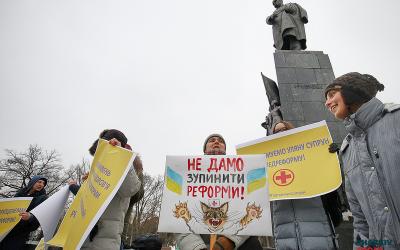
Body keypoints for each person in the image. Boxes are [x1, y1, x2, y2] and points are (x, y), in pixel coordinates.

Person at [324, 72, 400, 249]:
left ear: (351, 90)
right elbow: (360, 219)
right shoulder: (347, 150)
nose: (327, 103)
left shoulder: (396, 120)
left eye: (331, 94)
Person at [176, 134, 262, 250]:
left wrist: (228, 241)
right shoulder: (188, 175)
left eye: (220, 141)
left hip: (236, 244)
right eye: (212, 140)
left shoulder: (241, 173)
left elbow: (252, 211)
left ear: (225, 149)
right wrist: (196, 247)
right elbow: (179, 218)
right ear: (205, 149)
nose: (216, 142)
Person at [269, 121, 339, 250]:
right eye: (276, 131)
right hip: (285, 239)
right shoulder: (269, 167)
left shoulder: (311, 158)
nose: (281, 133)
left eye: (284, 129)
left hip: (319, 234)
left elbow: (330, 186)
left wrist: (331, 158)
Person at [69, 129, 143, 250]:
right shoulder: (100, 169)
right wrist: (84, 184)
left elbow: (132, 190)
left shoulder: (127, 165)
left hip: (105, 239)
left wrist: (121, 154)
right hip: (83, 236)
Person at [0, 176, 48, 250]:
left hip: (20, 232)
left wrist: (30, 217)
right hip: (7, 228)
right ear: (32, 182)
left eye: (43, 183)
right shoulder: (20, 193)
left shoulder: (42, 198)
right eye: (39, 182)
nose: (41, 184)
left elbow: (41, 215)